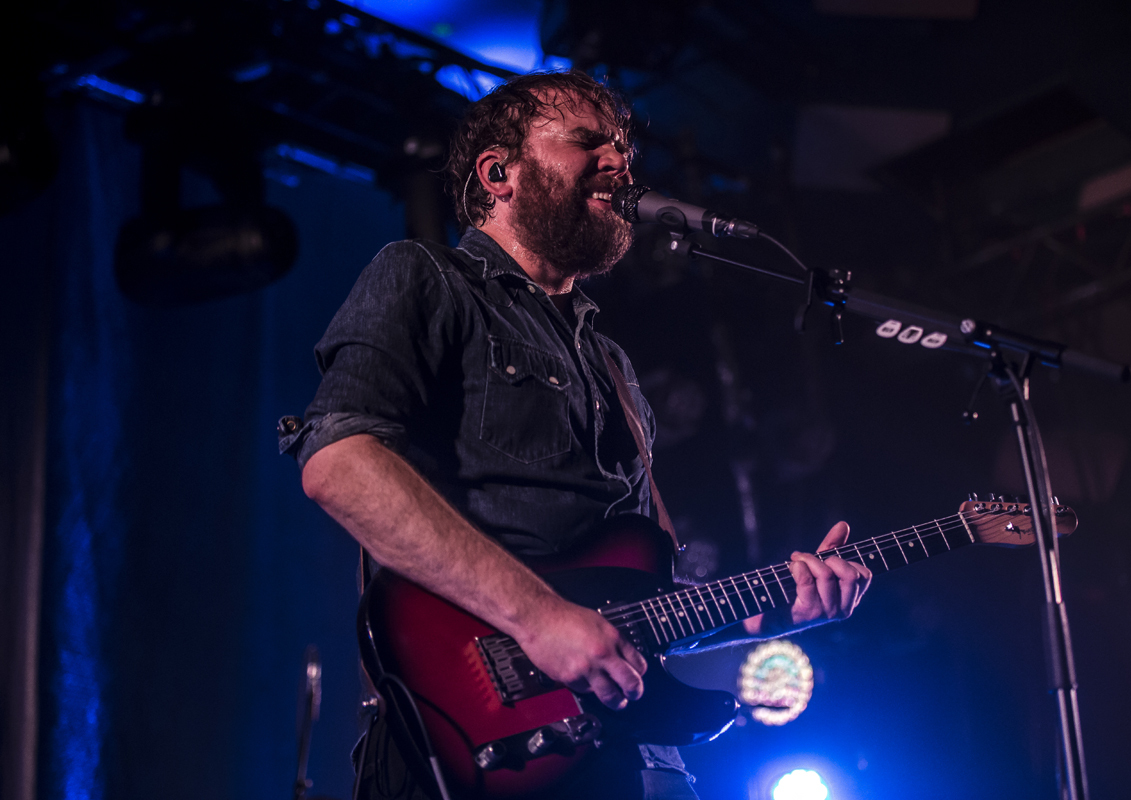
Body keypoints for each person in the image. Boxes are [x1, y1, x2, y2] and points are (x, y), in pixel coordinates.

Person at [281, 71, 871, 800]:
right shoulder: (425, 277)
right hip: (477, 748)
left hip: (626, 755)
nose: (621, 164)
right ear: (499, 173)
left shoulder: (613, 366)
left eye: (623, 148)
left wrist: (770, 609)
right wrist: (540, 619)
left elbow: (645, 602)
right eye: (588, 143)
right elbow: (338, 463)